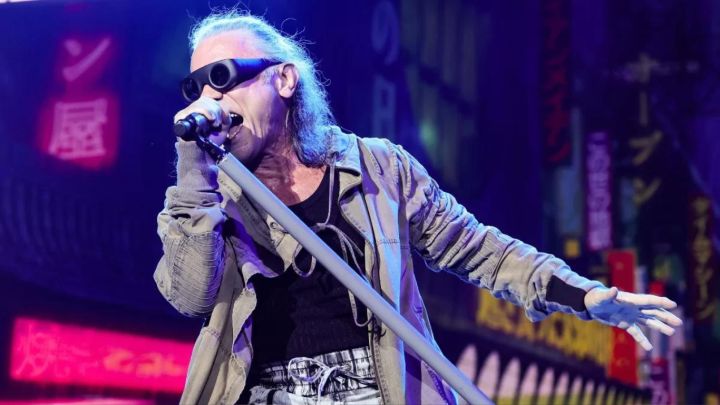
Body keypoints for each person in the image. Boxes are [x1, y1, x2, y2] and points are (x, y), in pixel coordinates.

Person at [154, 10, 683, 405]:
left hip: (379, 388)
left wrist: (583, 295)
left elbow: (483, 251)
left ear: (285, 79)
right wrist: (194, 167)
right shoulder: (208, 197)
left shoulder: (379, 169)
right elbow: (191, 295)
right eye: (196, 87)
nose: (210, 99)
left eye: (223, 76)